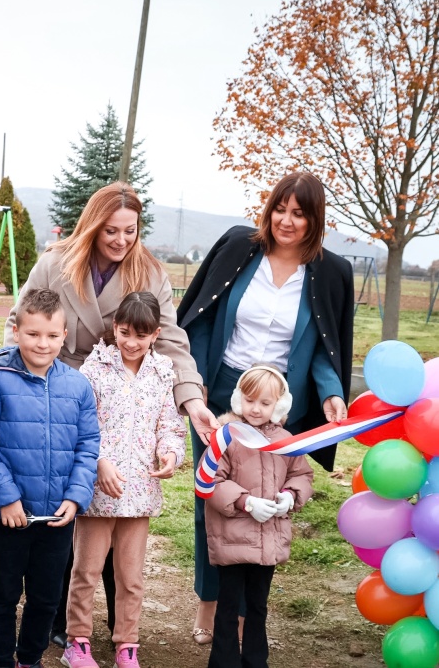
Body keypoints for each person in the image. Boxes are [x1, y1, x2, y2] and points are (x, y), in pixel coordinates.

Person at [4, 182, 218, 644]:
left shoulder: (150, 272)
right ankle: (58, 618)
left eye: (130, 231)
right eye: (111, 231)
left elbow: (170, 340)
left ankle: (116, 625)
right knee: (62, 505)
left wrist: (192, 400)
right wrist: (13, 381)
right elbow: (17, 323)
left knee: (113, 510)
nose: (121, 241)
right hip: (55, 392)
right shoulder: (55, 263)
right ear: (92, 226)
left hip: (119, 398)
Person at [177, 171, 354, 644]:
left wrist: (332, 391)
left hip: (279, 409)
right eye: (280, 208)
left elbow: (323, 345)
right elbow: (201, 319)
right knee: (213, 500)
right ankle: (210, 605)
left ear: (314, 219)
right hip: (222, 397)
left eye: (299, 213)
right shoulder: (238, 246)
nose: (286, 221)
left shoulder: (331, 271)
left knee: (265, 506)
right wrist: (191, 388)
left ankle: (245, 613)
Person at [0, 288, 100, 668]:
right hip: (9, 514)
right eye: (33, 334)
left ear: (65, 335)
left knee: (46, 596)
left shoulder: (77, 386)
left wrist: (76, 497)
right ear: (16, 330)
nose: (42, 344)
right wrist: (6, 498)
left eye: (52, 335)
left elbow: (88, 445)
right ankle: (0, 660)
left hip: (57, 516)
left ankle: (30, 659)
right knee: (3, 593)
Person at [62, 292, 186, 668]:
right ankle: (77, 641)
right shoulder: (94, 370)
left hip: (139, 493)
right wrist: (97, 462)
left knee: (131, 576)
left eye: (141, 335)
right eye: (125, 332)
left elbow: (170, 425)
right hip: (98, 491)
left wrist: (170, 453)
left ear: (155, 334)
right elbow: (79, 427)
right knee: (86, 570)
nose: (131, 342)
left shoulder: (163, 372)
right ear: (114, 328)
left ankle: (126, 645)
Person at [205, 365, 314, 667]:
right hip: (233, 540)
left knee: (258, 605)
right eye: (250, 401)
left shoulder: (287, 441)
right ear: (240, 400)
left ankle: (256, 660)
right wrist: (245, 501)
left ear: (279, 406)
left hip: (269, 540)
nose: (256, 409)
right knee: (228, 604)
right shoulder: (226, 437)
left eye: (265, 403)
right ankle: (223, 661)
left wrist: (290, 496)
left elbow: (302, 474)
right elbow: (210, 481)